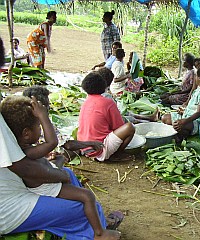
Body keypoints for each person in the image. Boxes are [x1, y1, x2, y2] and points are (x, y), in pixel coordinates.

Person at [0, 36, 121, 240]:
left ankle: (98, 223)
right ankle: (98, 232)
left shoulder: (21, 142)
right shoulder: (28, 148)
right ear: (28, 132)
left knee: (69, 176)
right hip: (14, 203)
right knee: (81, 199)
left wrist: (60, 165)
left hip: (27, 186)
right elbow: (40, 156)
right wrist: (44, 118)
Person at [78, 71, 135, 161]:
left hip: (84, 147)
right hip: (99, 149)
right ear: (103, 86)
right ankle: (116, 155)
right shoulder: (107, 102)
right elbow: (118, 126)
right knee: (129, 127)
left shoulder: (86, 102)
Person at [162, 65, 200, 141]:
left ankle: (183, 133)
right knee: (165, 118)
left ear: (199, 78)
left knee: (178, 125)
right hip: (187, 116)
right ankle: (182, 132)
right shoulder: (199, 89)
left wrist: (184, 121)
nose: (195, 78)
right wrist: (184, 111)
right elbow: (193, 107)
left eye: (196, 76)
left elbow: (199, 113)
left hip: (196, 122)